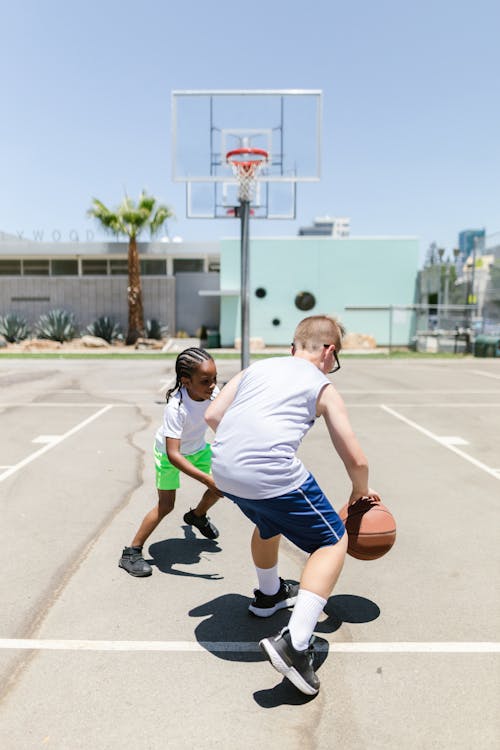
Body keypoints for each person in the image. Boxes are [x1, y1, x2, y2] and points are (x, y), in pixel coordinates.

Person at [205, 315, 380, 695]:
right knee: (332, 540)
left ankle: (269, 595)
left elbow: (212, 415)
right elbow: (356, 459)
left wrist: (242, 450)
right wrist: (358, 494)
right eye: (335, 360)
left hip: (223, 467)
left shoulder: (257, 368)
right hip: (267, 470)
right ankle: (296, 643)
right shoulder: (322, 384)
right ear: (329, 352)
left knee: (270, 521)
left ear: (293, 347)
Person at [119, 347, 223, 577]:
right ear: (186, 381)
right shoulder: (176, 408)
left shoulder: (213, 393)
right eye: (206, 381)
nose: (213, 385)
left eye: (215, 379)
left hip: (197, 449)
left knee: (222, 483)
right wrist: (207, 479)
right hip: (169, 455)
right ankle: (131, 552)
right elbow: (173, 454)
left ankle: (197, 516)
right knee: (166, 506)